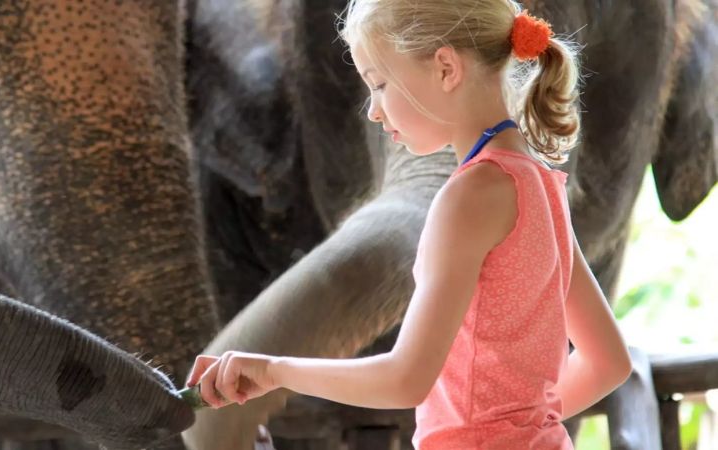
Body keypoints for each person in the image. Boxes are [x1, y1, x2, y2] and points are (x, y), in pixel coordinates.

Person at [186, 1, 633, 448]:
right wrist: (524, 427)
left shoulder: (469, 197)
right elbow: (608, 361)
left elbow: (406, 379)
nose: (373, 111)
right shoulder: (540, 182)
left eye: (379, 84)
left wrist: (273, 370)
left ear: (445, 67)